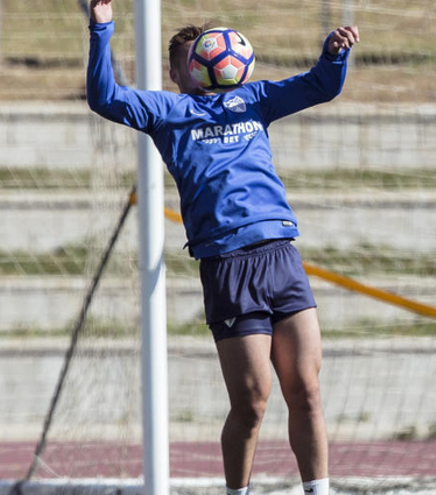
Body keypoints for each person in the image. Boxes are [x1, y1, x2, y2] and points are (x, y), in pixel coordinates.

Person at [86, 1, 359, 494]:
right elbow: (104, 96)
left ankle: (319, 490)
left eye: (213, 51)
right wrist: (102, 28)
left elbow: (320, 85)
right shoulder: (168, 112)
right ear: (179, 72)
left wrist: (334, 54)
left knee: (307, 390)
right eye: (198, 57)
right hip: (227, 265)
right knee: (253, 401)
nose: (211, 61)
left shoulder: (254, 98)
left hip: (279, 253)